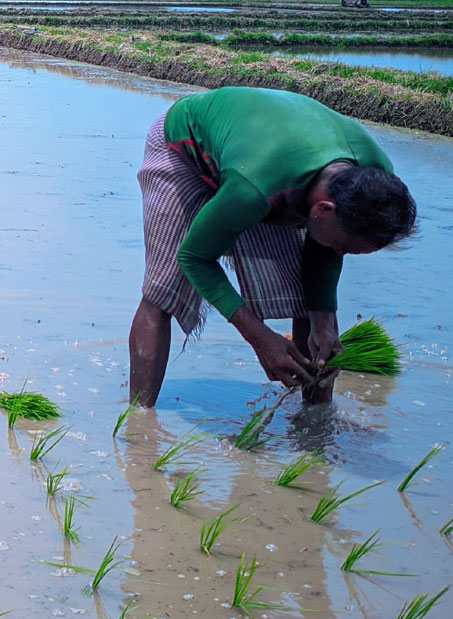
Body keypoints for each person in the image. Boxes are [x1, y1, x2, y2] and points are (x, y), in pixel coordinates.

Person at [128, 86, 416, 407]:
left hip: (268, 156)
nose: (340, 254)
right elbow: (194, 257)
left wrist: (323, 323)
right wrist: (259, 337)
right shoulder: (255, 188)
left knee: (308, 302)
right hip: (186, 150)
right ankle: (139, 422)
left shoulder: (374, 178)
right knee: (162, 291)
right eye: (342, 246)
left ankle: (315, 426)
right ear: (323, 210)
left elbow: (326, 250)